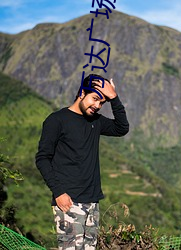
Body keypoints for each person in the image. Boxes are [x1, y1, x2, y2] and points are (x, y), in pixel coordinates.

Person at [35, 74, 129, 250]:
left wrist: (114, 98)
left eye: (102, 103)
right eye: (94, 99)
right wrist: (58, 192)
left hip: (92, 202)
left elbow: (121, 128)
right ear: (81, 93)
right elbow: (42, 158)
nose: (97, 106)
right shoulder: (57, 120)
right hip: (69, 202)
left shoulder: (96, 121)